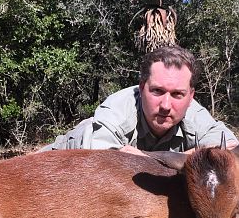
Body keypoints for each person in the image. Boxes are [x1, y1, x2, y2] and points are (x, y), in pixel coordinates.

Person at [41, 46, 238, 154]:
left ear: (190, 96)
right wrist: (192, 158)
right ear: (142, 88)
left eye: (177, 94)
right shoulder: (117, 110)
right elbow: (101, 161)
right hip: (60, 157)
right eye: (157, 91)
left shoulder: (195, 114)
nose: (166, 106)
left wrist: (174, 158)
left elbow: (230, 148)